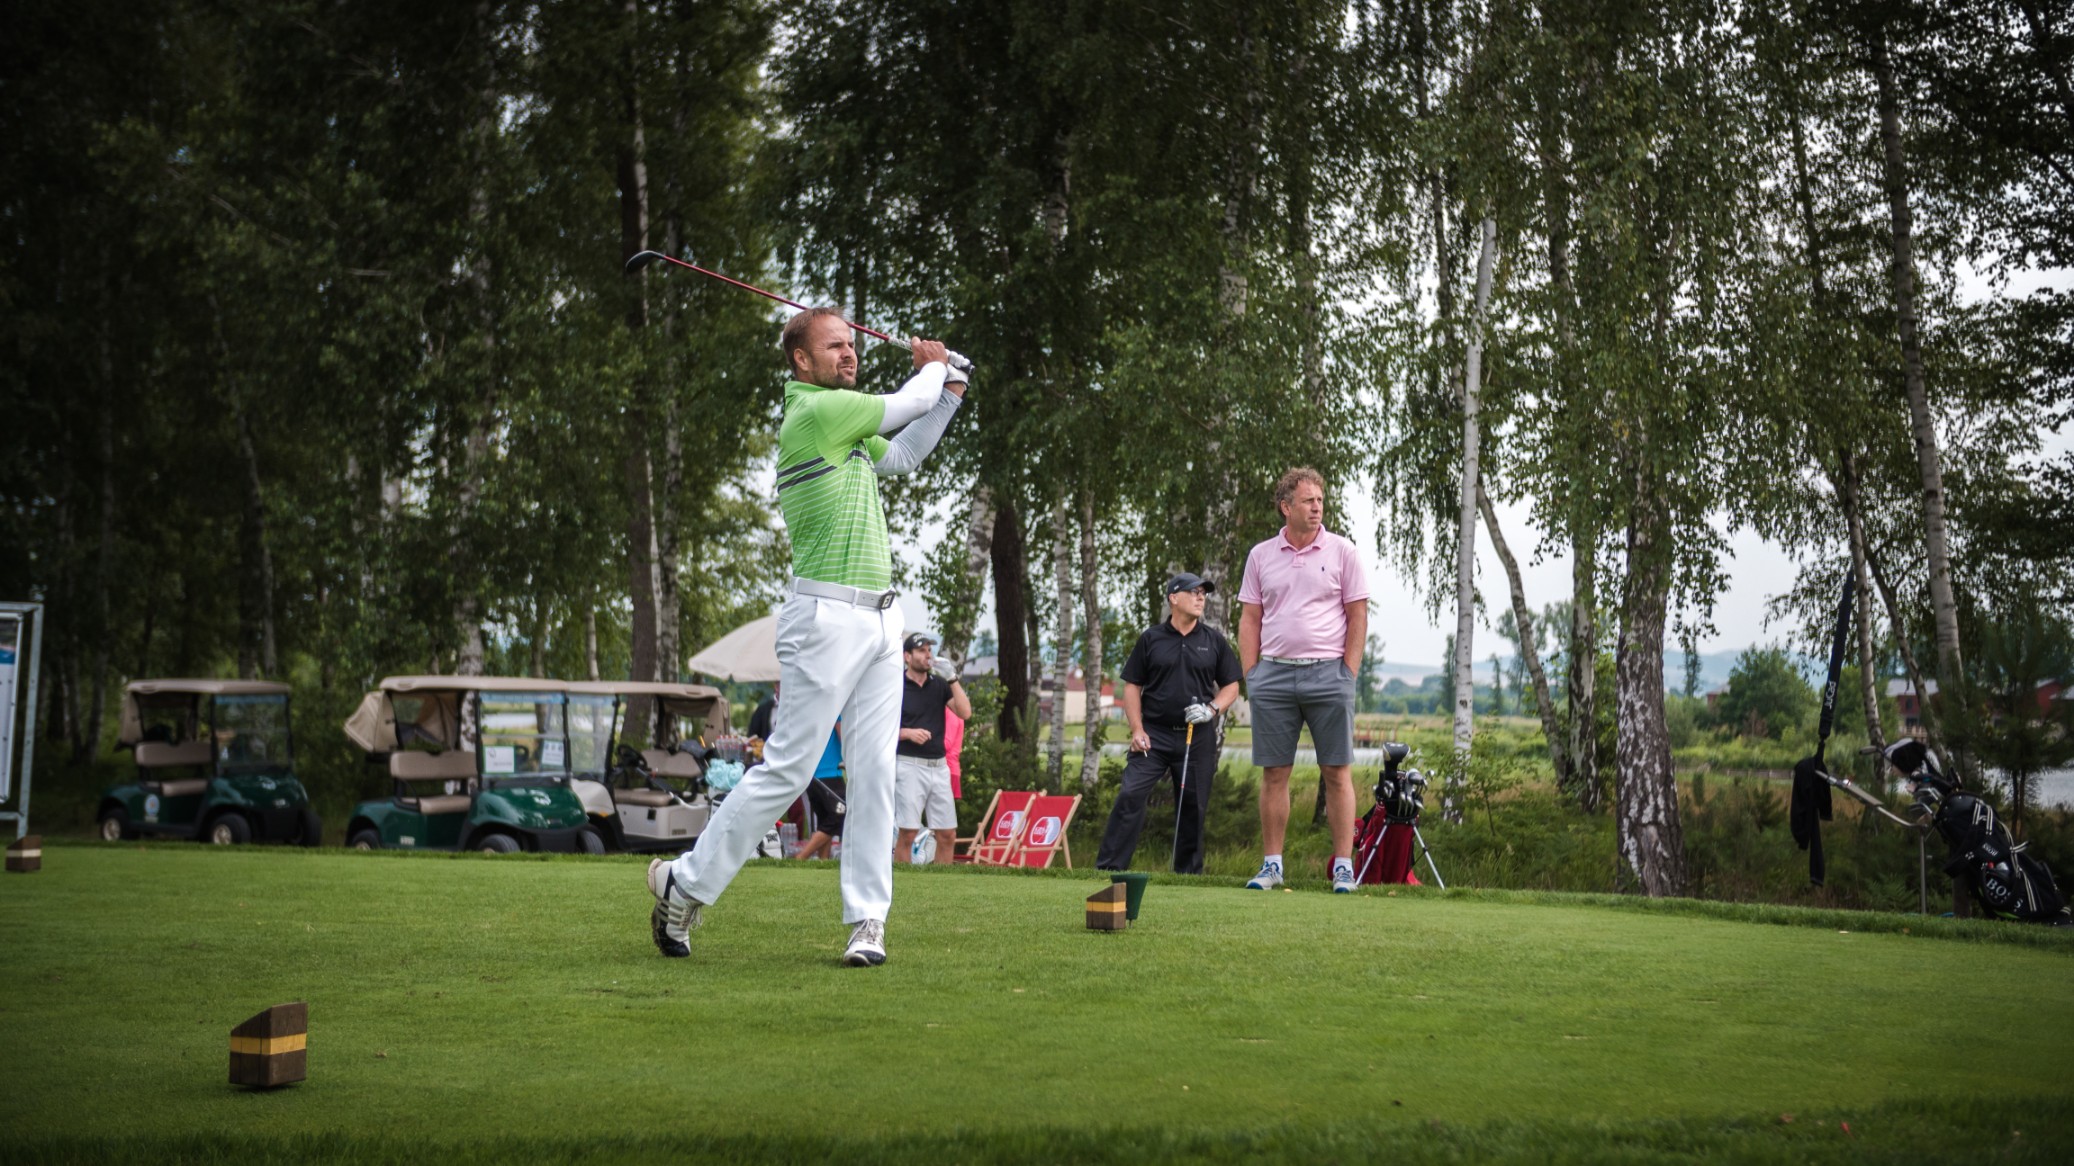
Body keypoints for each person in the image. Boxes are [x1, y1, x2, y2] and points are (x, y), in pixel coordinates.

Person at [646, 307, 970, 966]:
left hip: (882, 619)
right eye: (834, 346)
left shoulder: (843, 425)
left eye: (852, 344)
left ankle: (867, 922)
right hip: (824, 617)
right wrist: (935, 369)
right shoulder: (817, 412)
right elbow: (908, 402)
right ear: (801, 360)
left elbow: (904, 453)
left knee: (875, 772)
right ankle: (687, 884)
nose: (849, 354)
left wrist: (950, 395)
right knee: (791, 766)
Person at [1237, 467, 1370, 893]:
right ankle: (1272, 866)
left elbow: (1358, 615)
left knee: (1337, 772)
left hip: (1329, 674)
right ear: (1286, 507)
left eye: (1320, 500)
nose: (1317, 507)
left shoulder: (1343, 551)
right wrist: (1252, 674)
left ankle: (1343, 868)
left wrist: (1347, 673)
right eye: (1308, 501)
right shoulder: (1261, 555)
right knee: (1275, 773)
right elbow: (1250, 618)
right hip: (1273, 675)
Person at [1095, 573, 1242, 874]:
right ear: (1174, 598)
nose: (1200, 597)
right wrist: (1137, 729)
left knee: (1193, 806)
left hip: (1197, 736)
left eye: (1203, 593)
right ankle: (1109, 869)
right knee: (1130, 794)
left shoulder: (1213, 640)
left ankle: (1188, 876)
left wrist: (1212, 709)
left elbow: (1232, 686)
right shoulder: (1151, 639)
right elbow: (1132, 686)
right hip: (1154, 735)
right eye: (1194, 592)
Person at [894, 632, 972, 865]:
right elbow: (879, 728)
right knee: (908, 832)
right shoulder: (896, 686)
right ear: (907, 656)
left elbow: (965, 712)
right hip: (908, 764)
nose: (928, 654)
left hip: (939, 767)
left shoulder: (939, 684)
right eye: (921, 650)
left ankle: (942, 882)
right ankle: (902, 880)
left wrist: (952, 678)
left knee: (947, 834)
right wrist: (906, 733)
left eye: (929, 649)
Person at [795, 723, 845, 861]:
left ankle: (823, 862)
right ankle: (801, 857)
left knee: (825, 820)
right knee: (840, 813)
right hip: (828, 772)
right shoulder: (837, 711)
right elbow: (844, 737)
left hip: (814, 772)